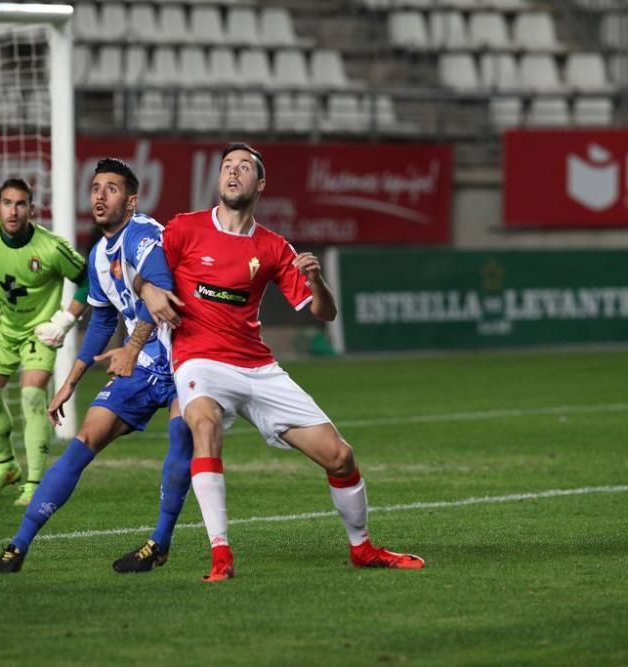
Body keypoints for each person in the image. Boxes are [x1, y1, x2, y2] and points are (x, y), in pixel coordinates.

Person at [149, 143, 424, 581]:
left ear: (260, 184)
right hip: (199, 359)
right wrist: (147, 294)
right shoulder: (184, 229)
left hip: (258, 368)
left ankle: (362, 548)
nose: (233, 172)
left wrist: (316, 280)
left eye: (243, 167)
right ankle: (221, 555)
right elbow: (142, 269)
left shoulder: (274, 247)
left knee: (340, 457)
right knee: (204, 427)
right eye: (226, 166)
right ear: (218, 180)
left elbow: (325, 313)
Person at [0, 158, 193, 574]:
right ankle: (18, 546)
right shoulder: (98, 255)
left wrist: (132, 348)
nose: (99, 194)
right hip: (145, 364)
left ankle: (160, 543)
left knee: (180, 440)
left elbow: (163, 292)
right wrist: (71, 381)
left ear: (131, 201)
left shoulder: (145, 235)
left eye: (111, 188)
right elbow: (100, 320)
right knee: (83, 441)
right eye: (96, 187)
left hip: (188, 356)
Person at [0, 178, 88, 506]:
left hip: (39, 332)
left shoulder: (51, 248)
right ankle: (6, 466)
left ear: (32, 209)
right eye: (7, 203)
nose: (12, 211)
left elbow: (87, 281)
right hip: (2, 328)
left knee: (32, 396)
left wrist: (65, 319)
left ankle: (34, 483)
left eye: (20, 204)